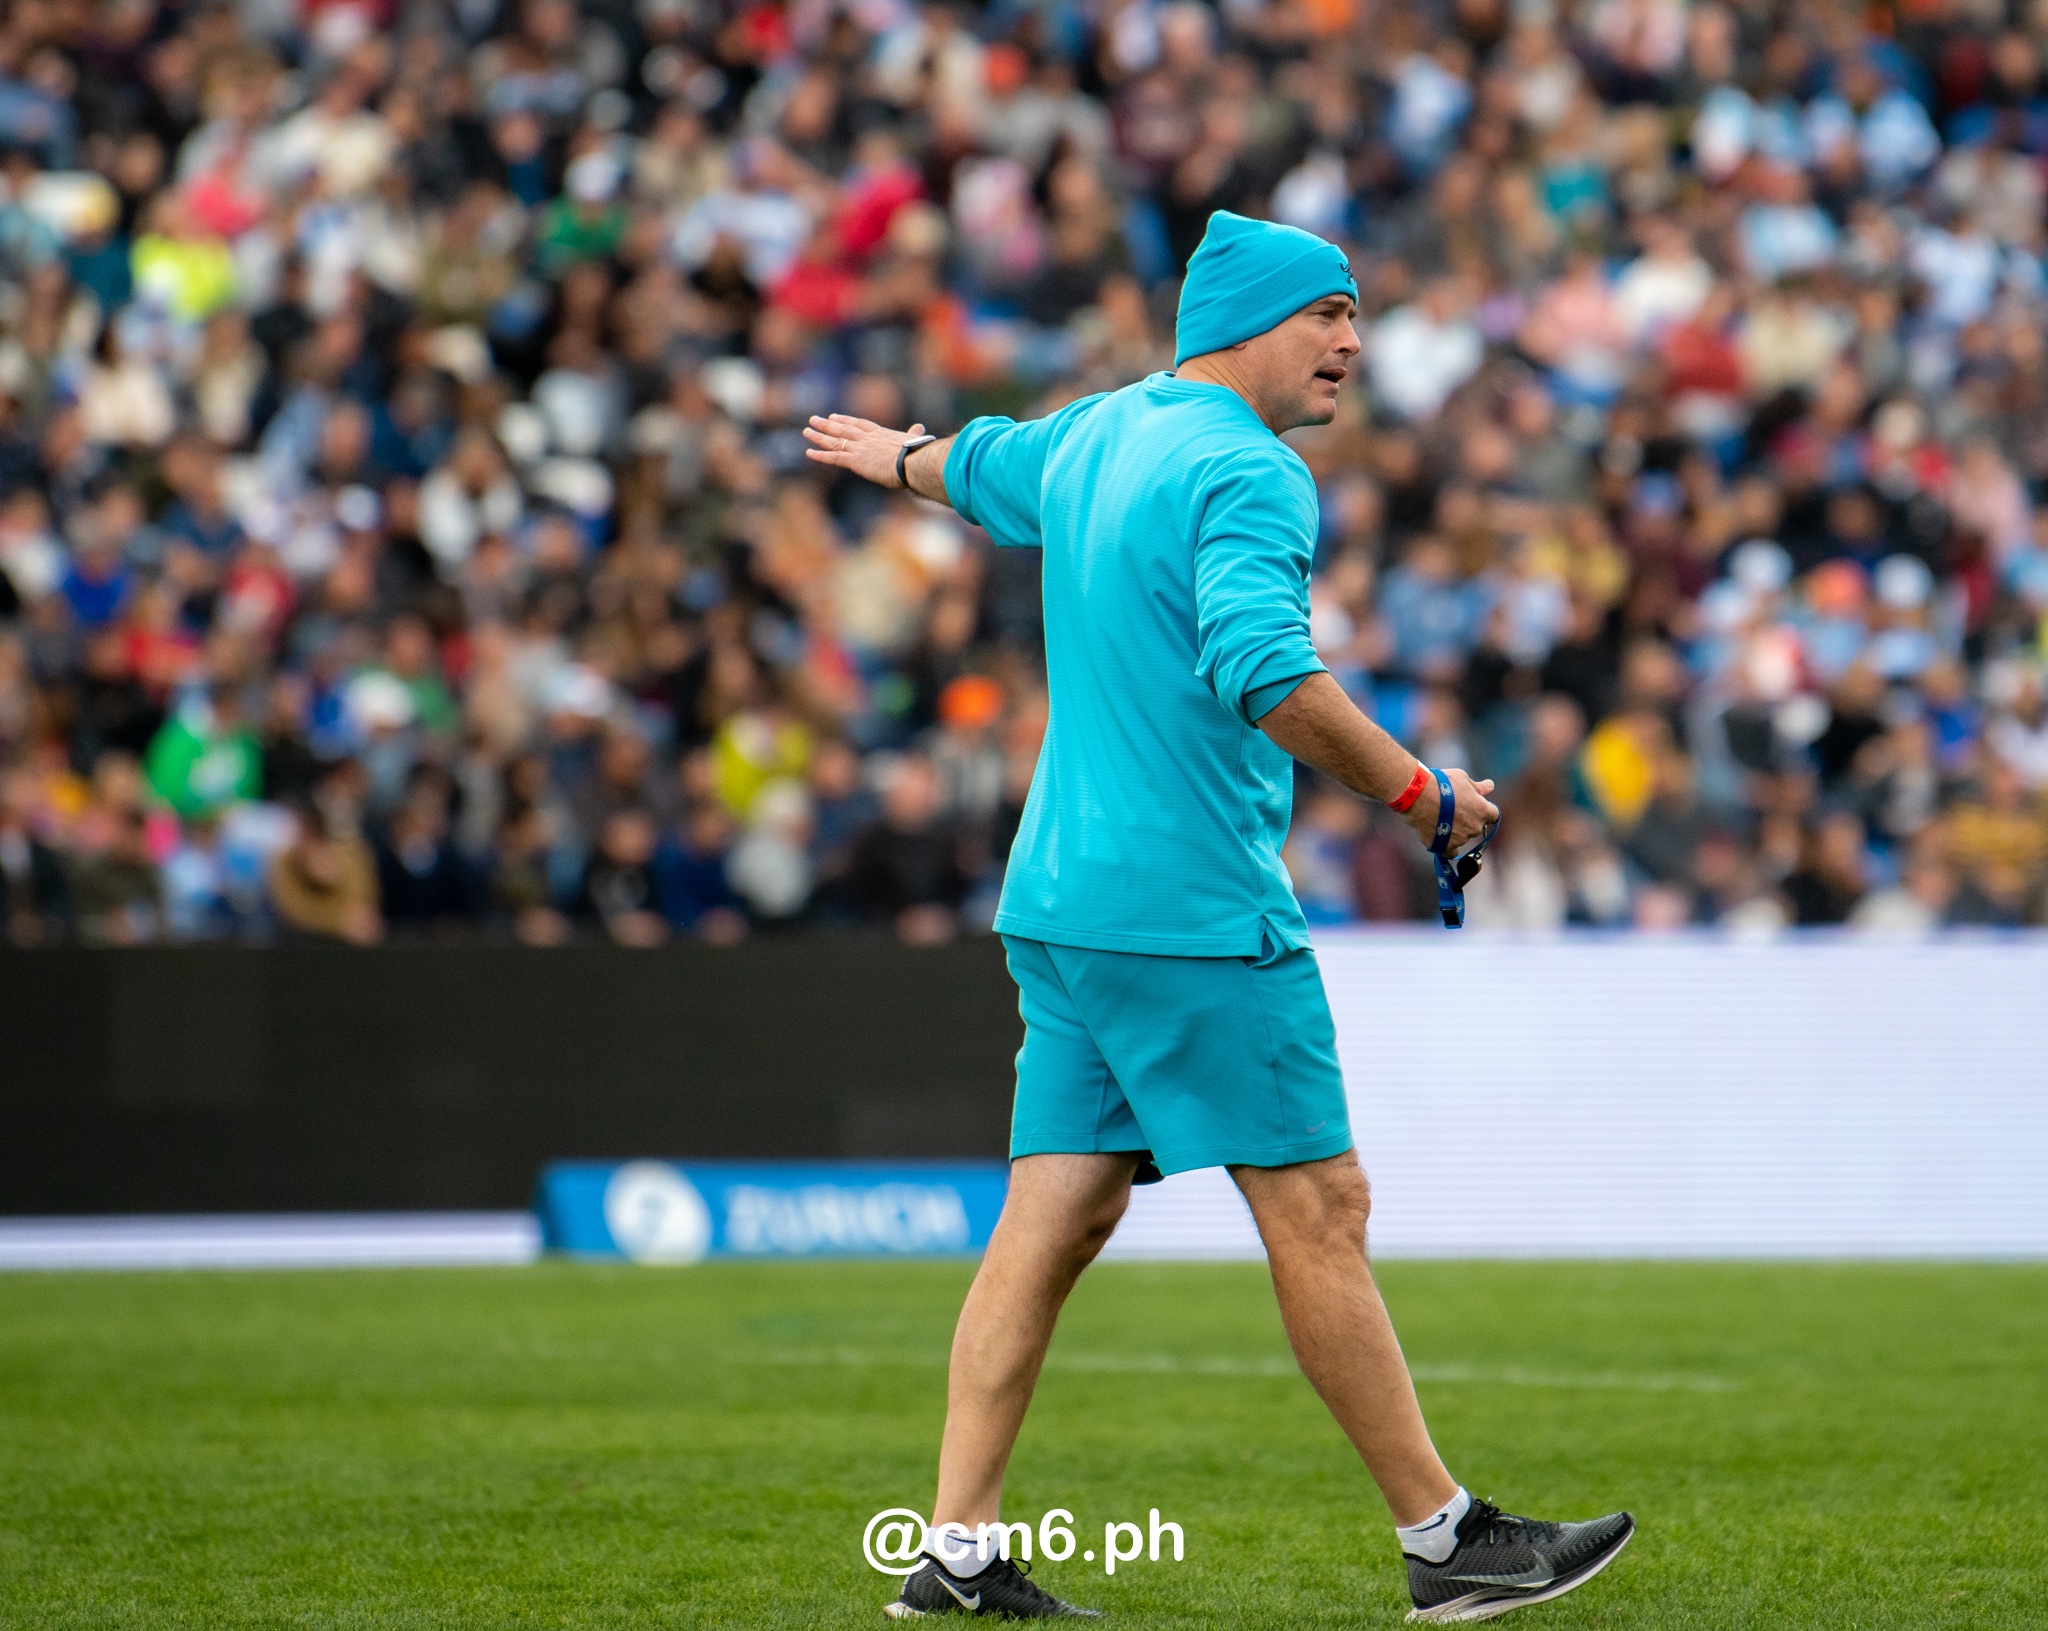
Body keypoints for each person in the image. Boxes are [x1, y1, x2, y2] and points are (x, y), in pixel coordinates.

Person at [805, 211, 1633, 1624]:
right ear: (1247, 322)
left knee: (1052, 1218)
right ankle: (1445, 1541)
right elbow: (1267, 674)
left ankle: (956, 1552)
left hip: (1060, 900)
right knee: (1320, 1205)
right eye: (1328, 313)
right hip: (1188, 908)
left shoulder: (1096, 433)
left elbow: (976, 466)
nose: (1352, 341)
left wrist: (894, 456)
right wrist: (1423, 794)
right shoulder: (1250, 471)